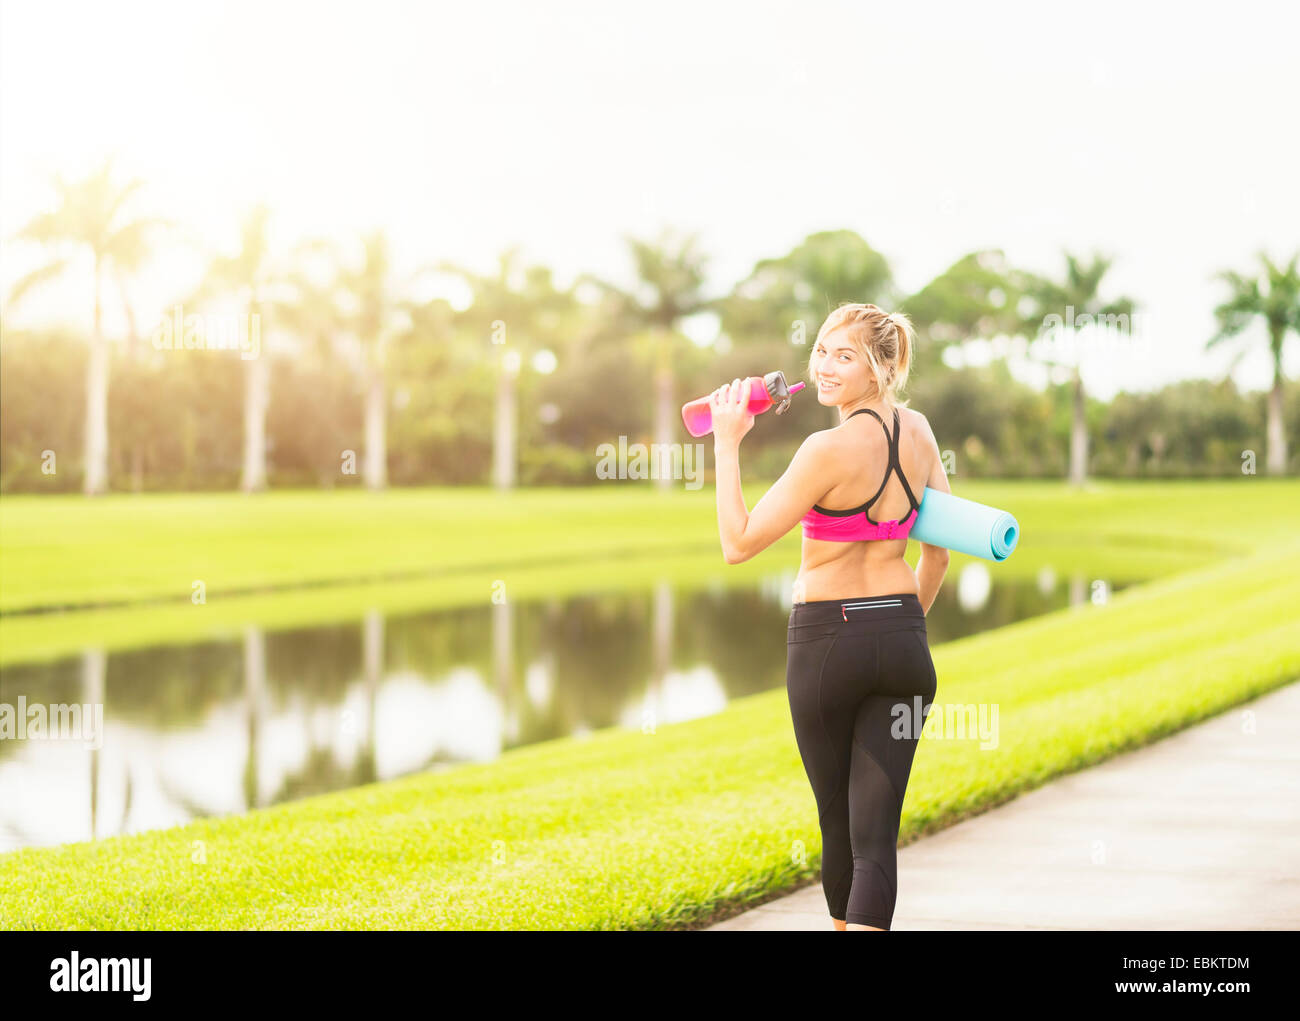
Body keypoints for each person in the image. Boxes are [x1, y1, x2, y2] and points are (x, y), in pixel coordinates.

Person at [709, 301, 950, 931]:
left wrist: (727, 445)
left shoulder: (825, 449)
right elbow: (937, 554)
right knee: (876, 836)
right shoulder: (920, 433)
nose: (825, 366)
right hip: (903, 642)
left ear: (880, 369)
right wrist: (900, 629)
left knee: (839, 824)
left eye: (845, 356)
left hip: (827, 645)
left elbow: (738, 543)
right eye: (821, 351)